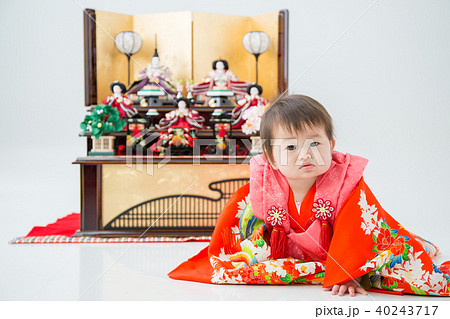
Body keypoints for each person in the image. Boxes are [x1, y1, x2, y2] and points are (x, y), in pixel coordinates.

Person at [169, 95, 450, 297]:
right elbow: (237, 218)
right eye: (290, 147)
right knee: (237, 270)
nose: (305, 154)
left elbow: (360, 228)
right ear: (271, 158)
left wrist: (348, 273)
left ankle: (414, 245)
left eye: (315, 142)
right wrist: (236, 252)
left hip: (344, 255)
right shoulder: (265, 183)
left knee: (405, 268)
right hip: (298, 255)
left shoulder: (346, 183)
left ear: (332, 145)